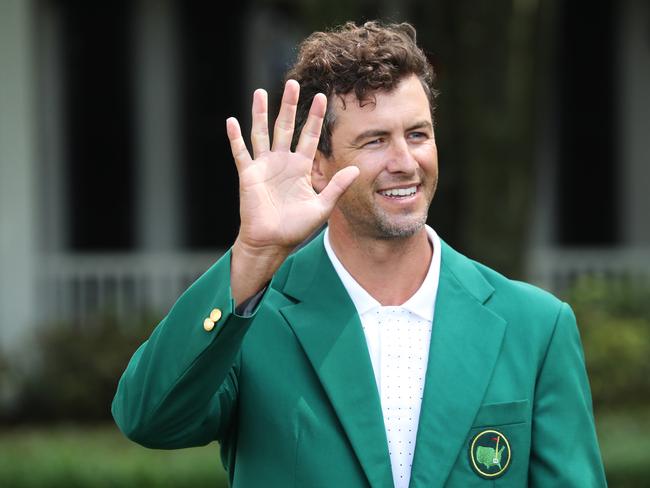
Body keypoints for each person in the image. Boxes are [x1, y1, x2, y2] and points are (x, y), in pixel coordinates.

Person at [112, 21, 607, 487]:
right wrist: (252, 254)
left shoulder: (536, 326)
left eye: (417, 135)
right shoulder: (252, 319)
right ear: (319, 167)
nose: (404, 162)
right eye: (374, 141)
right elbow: (148, 419)